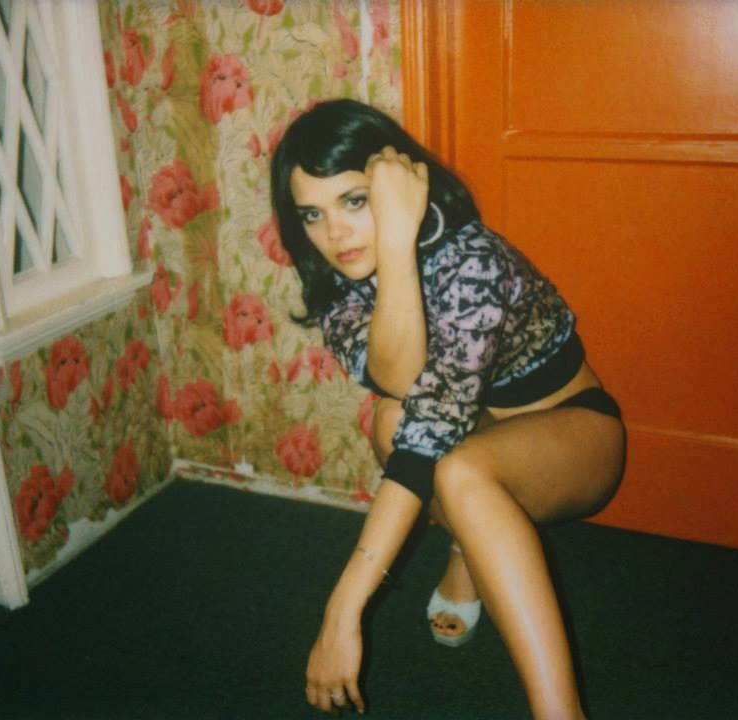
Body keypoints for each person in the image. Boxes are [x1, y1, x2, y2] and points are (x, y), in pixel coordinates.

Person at [270, 99, 625, 719]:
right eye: (313, 214)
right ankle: (469, 543)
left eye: (355, 201)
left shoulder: (471, 262)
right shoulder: (339, 284)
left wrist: (343, 609)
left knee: (457, 469)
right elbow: (402, 382)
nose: (335, 234)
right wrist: (395, 253)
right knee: (392, 420)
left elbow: (432, 433)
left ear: (403, 189)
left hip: (576, 434)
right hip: (477, 433)